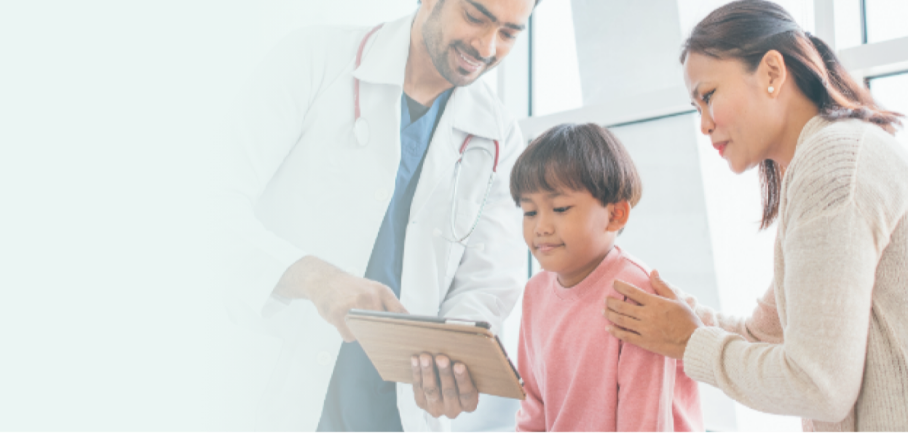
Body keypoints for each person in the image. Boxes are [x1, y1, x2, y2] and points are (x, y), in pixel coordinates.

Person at [215, 0, 537, 431]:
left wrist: (452, 359)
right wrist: (312, 277)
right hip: (272, 391)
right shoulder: (316, 60)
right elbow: (208, 204)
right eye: (475, 17)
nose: (486, 45)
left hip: (394, 414)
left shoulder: (497, 135)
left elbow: (489, 278)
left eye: (510, 34)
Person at [603, 1, 908, 431]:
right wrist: (679, 316)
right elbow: (762, 335)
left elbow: (819, 385)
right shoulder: (824, 158)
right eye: (695, 107)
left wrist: (690, 340)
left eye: (708, 96)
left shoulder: (834, 163)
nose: (704, 125)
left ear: (771, 73)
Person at [510, 123, 703, 433]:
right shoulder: (535, 293)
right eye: (529, 212)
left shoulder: (636, 293)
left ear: (616, 215)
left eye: (559, 208)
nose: (540, 227)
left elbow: (644, 425)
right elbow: (533, 406)